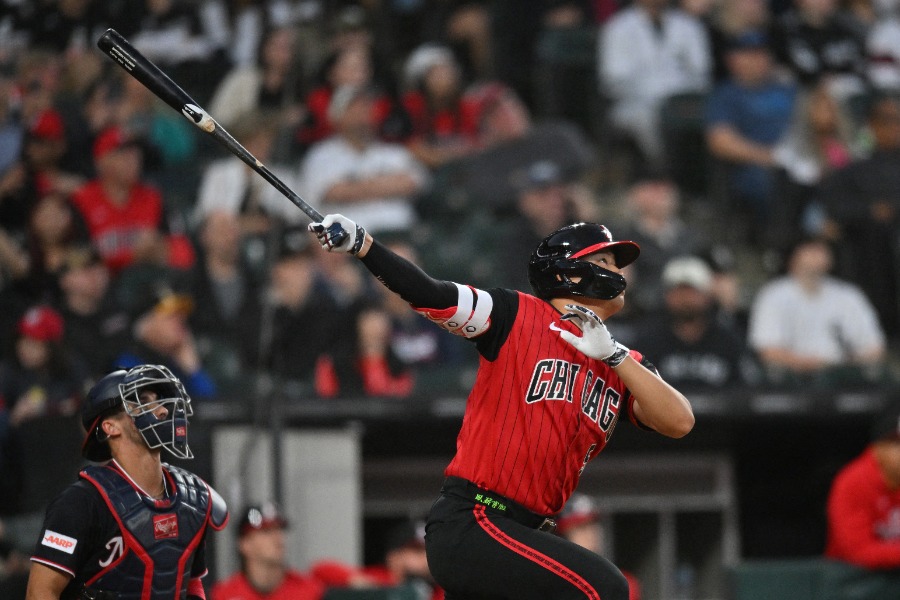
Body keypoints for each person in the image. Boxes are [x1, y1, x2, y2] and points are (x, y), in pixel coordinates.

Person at [307, 214, 695, 600]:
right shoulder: (516, 314)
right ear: (571, 273)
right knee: (605, 588)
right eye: (605, 262)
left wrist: (614, 354)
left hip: (524, 532)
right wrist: (365, 248)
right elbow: (432, 293)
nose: (617, 273)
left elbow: (679, 421)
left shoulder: (621, 362)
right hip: (476, 519)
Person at [25, 363, 228, 599]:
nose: (162, 410)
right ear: (110, 427)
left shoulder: (192, 498)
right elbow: (40, 593)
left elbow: (190, 585)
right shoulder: (80, 503)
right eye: (143, 400)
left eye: (159, 400)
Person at [747, 236, 887, 386]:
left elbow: (875, 348)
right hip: (793, 380)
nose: (818, 254)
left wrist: (844, 365)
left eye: (822, 249)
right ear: (794, 257)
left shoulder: (849, 295)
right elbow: (767, 351)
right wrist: (811, 365)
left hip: (845, 376)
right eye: (811, 249)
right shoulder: (774, 294)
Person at [599, 0, 712, 166]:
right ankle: (664, 171)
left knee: (715, 113)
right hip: (636, 103)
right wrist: (654, 94)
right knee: (647, 119)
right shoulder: (618, 27)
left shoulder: (688, 25)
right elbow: (612, 79)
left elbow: (702, 72)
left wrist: (681, 95)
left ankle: (701, 175)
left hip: (683, 101)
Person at [627, 256, 760, 391]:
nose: (685, 299)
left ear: (707, 295)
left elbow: (746, 389)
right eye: (678, 292)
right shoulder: (648, 341)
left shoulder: (728, 341)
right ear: (666, 296)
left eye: (691, 292)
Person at [825, 400, 900, 569]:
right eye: (897, 443)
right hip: (852, 586)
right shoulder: (852, 482)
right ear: (877, 447)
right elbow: (858, 551)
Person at [211, 502, 324, 600]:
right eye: (267, 531)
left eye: (280, 530)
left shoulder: (309, 591)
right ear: (245, 544)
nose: (278, 538)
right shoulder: (224, 594)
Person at [555, 494, 641, 600]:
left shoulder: (622, 582)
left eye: (593, 525)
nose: (590, 534)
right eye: (581, 528)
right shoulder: (550, 583)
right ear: (563, 536)